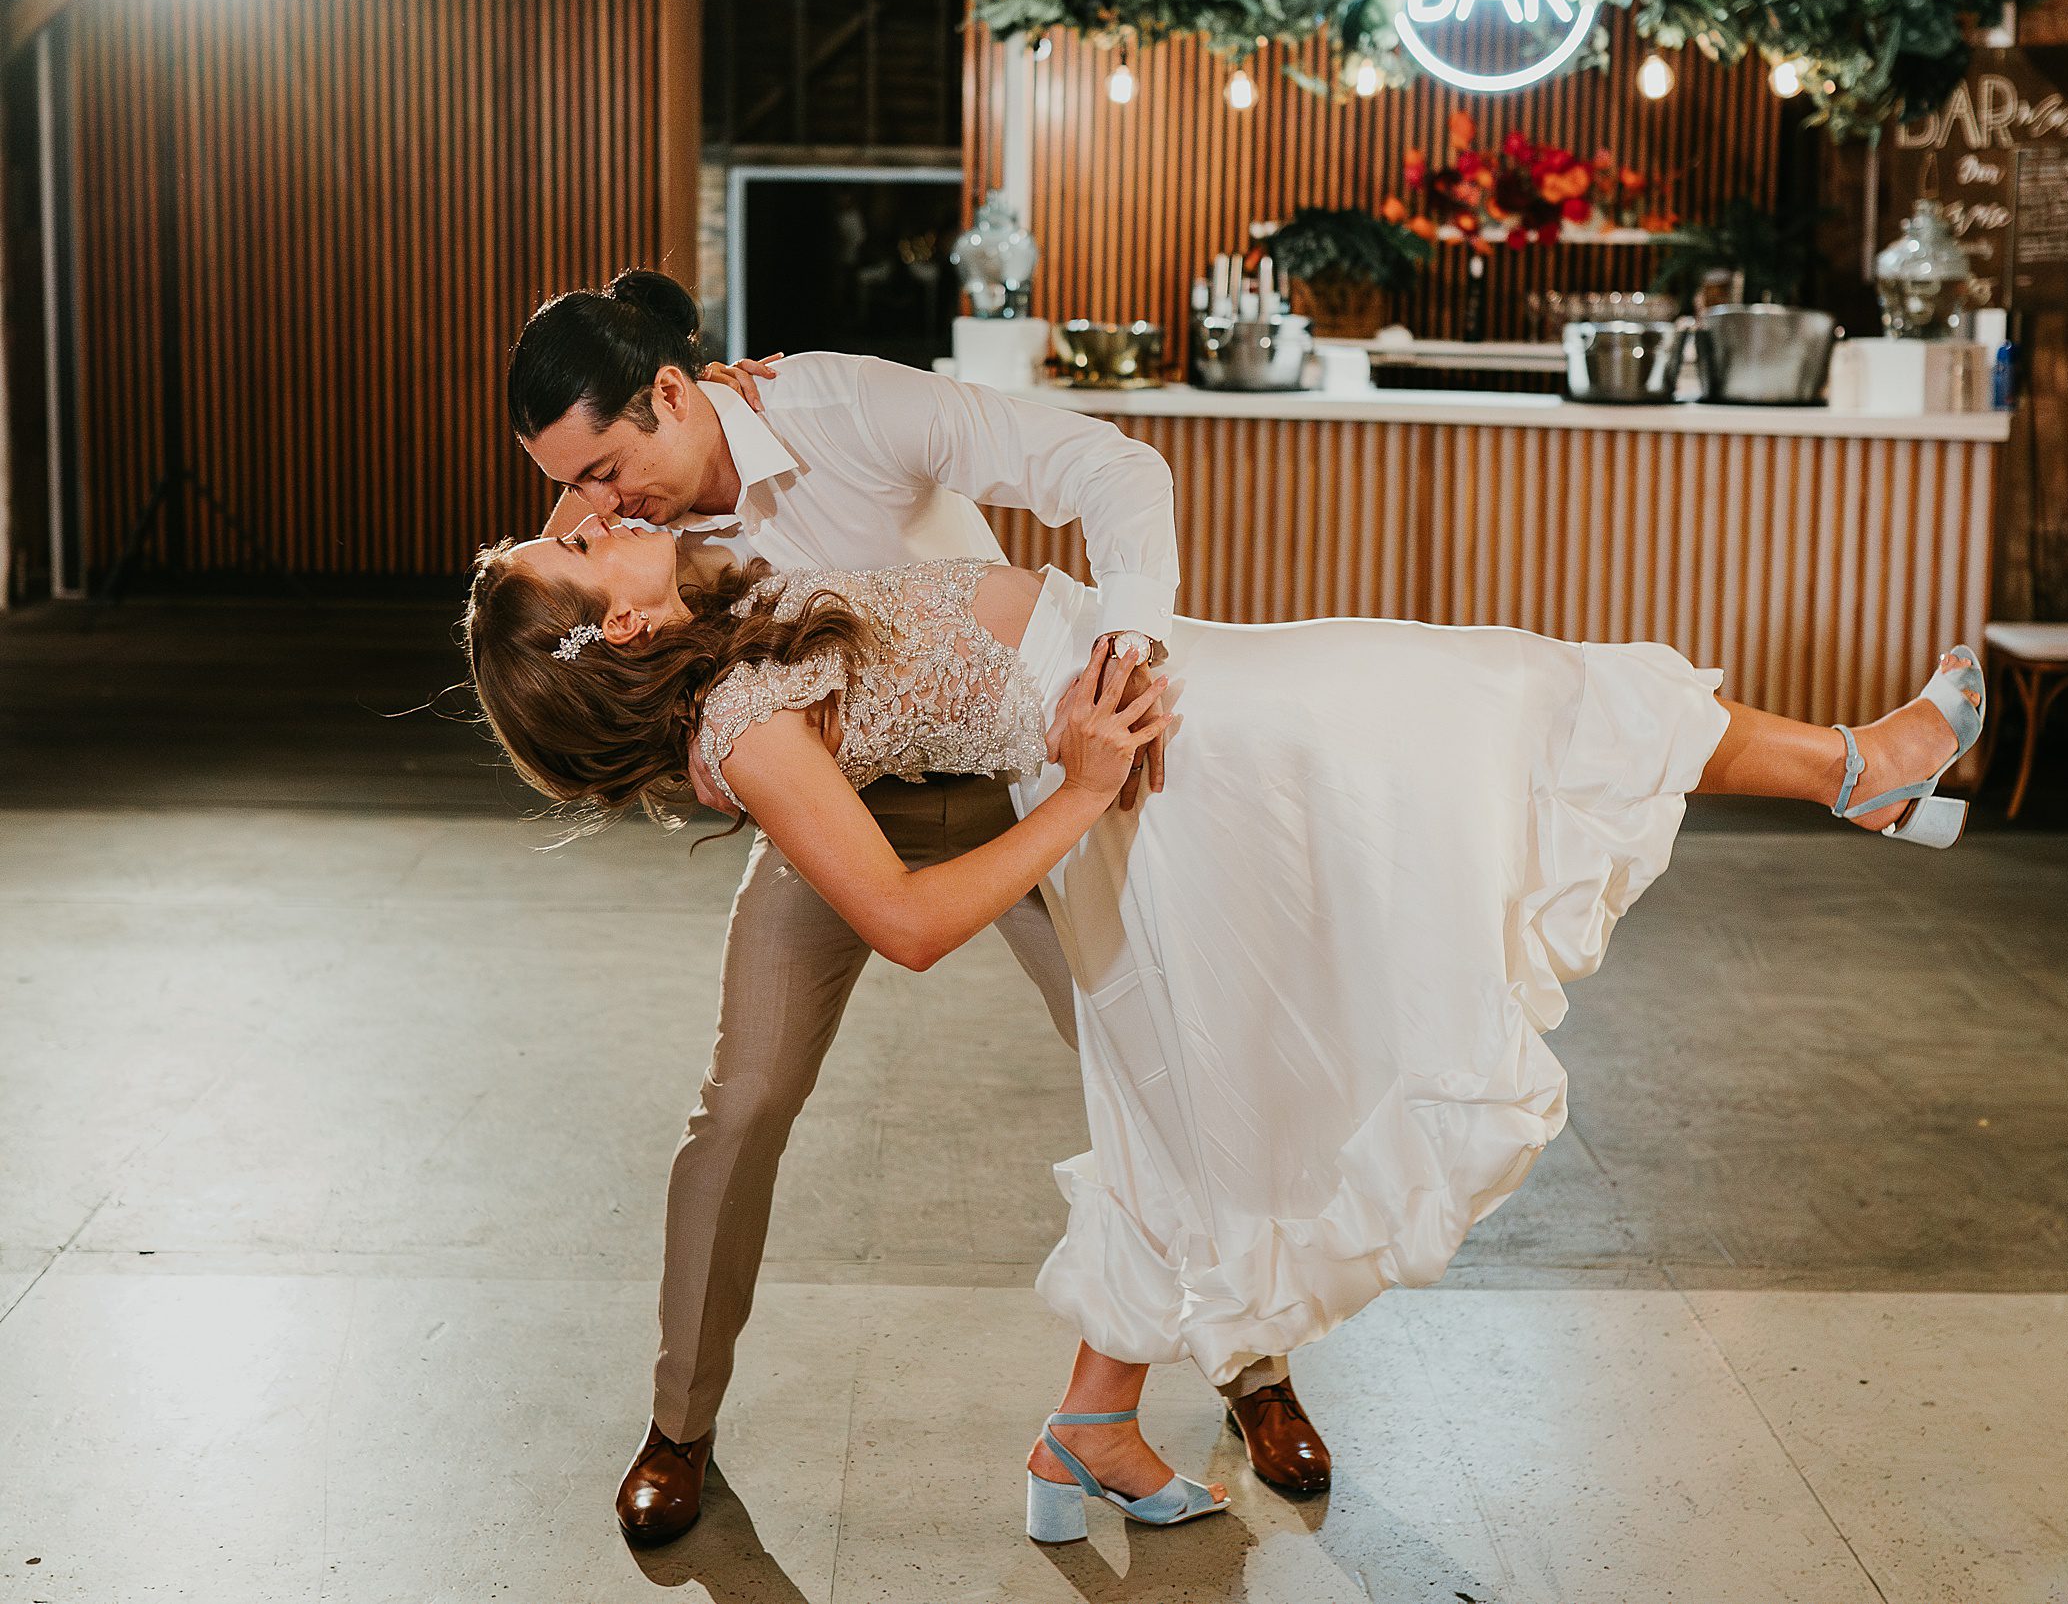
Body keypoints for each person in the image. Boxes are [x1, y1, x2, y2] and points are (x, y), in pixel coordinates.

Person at [460, 512, 1985, 1541]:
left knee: (1195, 1110)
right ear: (625, 622)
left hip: (1160, 698)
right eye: (576, 549)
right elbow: (909, 924)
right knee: (1498, 696)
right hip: (1164, 752)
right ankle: (1862, 762)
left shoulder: (718, 609)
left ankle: (1089, 1426)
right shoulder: (741, 731)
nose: (593, 518)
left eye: (578, 515)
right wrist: (1084, 784)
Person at [502, 269, 1330, 1547]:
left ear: (673, 392)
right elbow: (585, 648)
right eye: (573, 488)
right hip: (833, 805)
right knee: (743, 1101)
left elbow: (1113, 471)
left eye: (606, 468)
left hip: (1024, 765)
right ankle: (679, 1425)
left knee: (1164, 1060)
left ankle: (1255, 1370)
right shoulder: (623, 517)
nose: (590, 504)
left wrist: (1130, 654)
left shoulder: (838, 406)